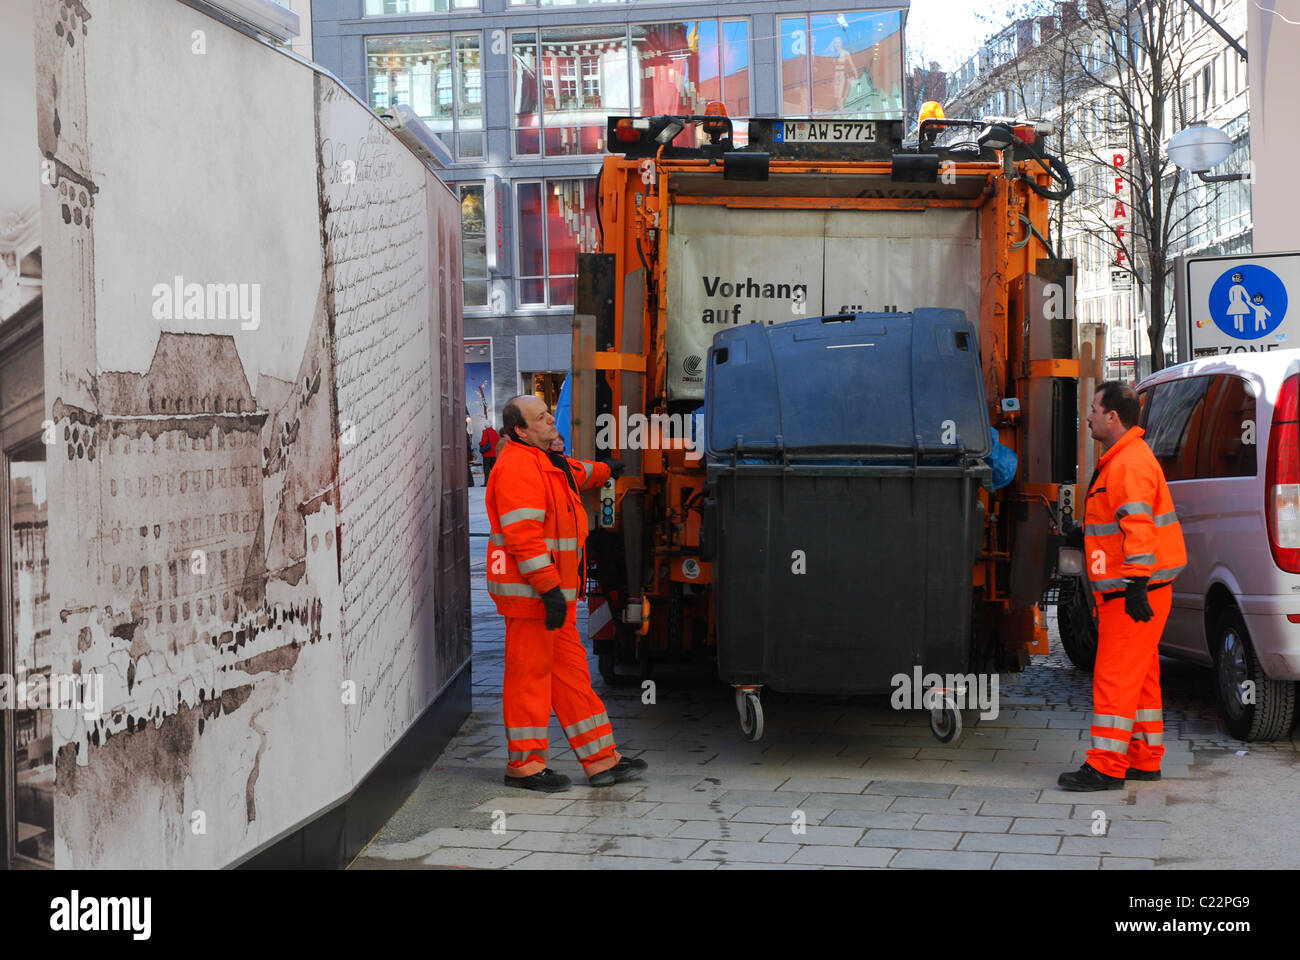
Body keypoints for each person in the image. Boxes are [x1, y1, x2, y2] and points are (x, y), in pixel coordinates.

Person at [484, 394, 640, 792]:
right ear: (520, 430)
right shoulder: (518, 467)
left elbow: (578, 471)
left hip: (556, 601)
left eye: (549, 412)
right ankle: (525, 766)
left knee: (573, 680)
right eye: (541, 417)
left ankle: (602, 761)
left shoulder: (545, 461)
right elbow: (524, 538)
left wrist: (607, 470)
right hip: (534, 599)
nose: (551, 419)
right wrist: (550, 590)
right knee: (529, 680)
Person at [1059, 381, 1186, 791]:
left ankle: (1105, 766)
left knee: (1114, 677)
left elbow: (1139, 528)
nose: (1089, 416)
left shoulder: (1128, 463)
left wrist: (1135, 584)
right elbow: (1118, 524)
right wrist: (1084, 535)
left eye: (1094, 409)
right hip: (1141, 589)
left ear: (1113, 417)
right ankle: (1144, 757)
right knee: (1142, 676)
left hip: (1133, 593)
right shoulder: (1125, 458)